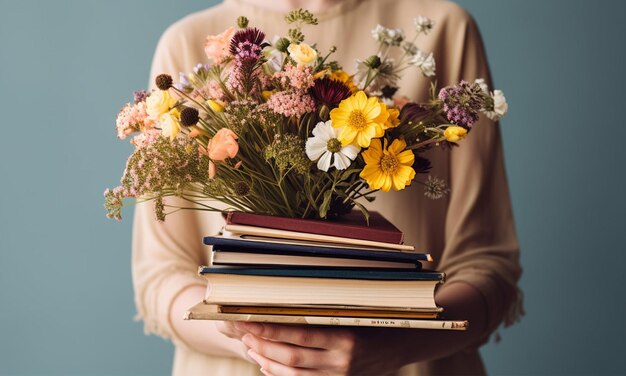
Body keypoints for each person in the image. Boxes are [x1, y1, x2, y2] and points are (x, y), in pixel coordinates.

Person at [132, 0, 523, 374]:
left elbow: (488, 263)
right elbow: (160, 273)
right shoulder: (187, 43)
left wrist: (396, 348)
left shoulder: (445, 29)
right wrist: (261, 343)